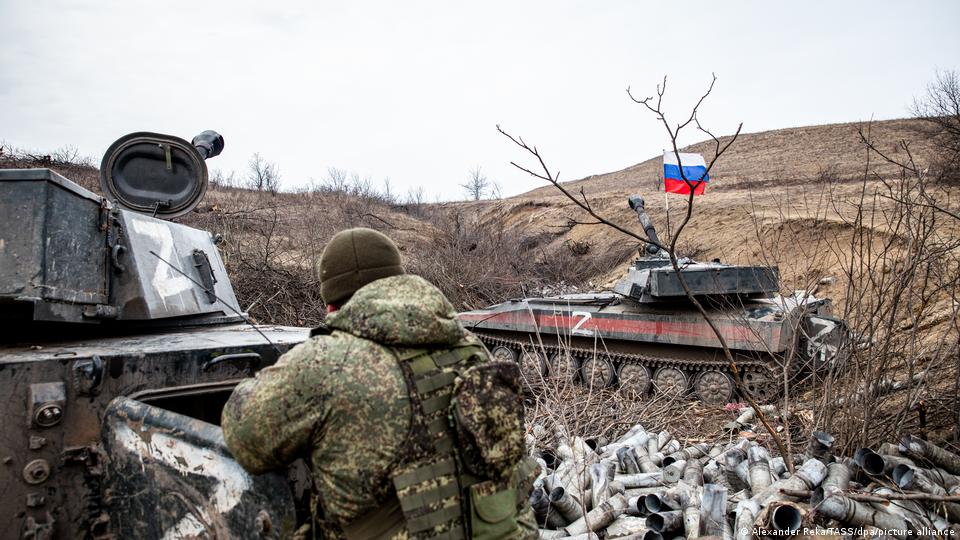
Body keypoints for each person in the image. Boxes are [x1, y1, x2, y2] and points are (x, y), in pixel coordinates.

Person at [222, 227, 537, 539]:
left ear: (331, 304)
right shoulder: (468, 344)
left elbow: (245, 440)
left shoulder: (324, 361)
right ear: (399, 280)